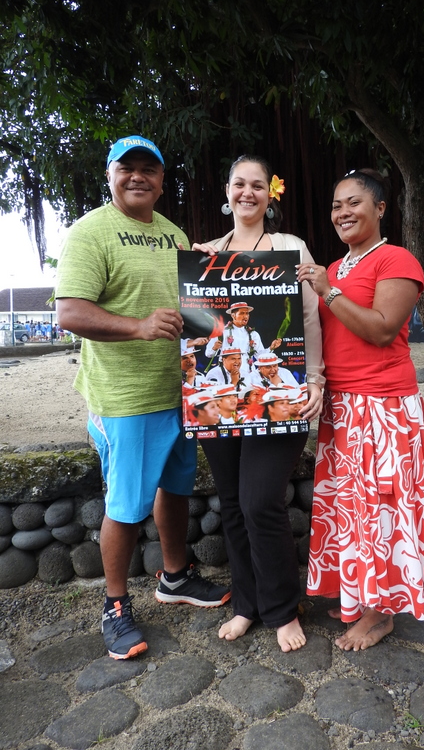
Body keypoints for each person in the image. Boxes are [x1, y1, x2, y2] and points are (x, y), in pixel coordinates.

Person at [55, 135, 230, 661]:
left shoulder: (171, 232)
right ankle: (114, 605)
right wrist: (138, 327)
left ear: (160, 178)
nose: (137, 177)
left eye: (148, 169)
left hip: (180, 390)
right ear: (109, 175)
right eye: (125, 168)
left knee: (175, 488)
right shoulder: (90, 233)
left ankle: (174, 576)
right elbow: (70, 313)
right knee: (126, 505)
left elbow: (194, 299)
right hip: (124, 397)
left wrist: (207, 271)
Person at [297, 169, 424, 652]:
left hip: (383, 409)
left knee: (380, 510)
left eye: (353, 203)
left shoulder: (396, 260)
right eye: (335, 206)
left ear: (380, 208)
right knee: (351, 512)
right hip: (343, 408)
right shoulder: (336, 268)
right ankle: (358, 596)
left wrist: (327, 291)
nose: (342, 213)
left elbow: (383, 329)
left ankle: (380, 613)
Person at [192, 154, 325, 652]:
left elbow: (309, 319)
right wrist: (196, 270)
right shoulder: (208, 254)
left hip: (274, 400)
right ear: (227, 191)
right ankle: (247, 603)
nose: (247, 193)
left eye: (257, 185)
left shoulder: (290, 248)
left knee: (260, 501)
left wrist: (313, 380)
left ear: (271, 193)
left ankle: (282, 606)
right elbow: (201, 335)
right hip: (224, 403)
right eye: (238, 184)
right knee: (232, 505)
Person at [205, 302, 281, 376]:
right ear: (233, 316)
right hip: (227, 373)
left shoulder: (253, 334)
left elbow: (260, 356)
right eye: (242, 313)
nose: (245, 316)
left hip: (249, 372)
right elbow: (208, 354)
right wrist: (214, 348)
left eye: (247, 313)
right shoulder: (222, 332)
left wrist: (271, 347)